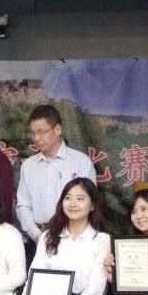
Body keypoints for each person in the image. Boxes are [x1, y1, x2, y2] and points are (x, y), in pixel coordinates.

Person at [16, 105, 97, 245]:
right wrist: (37, 237)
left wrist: (68, 235)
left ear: (57, 129)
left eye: (41, 132)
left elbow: (89, 202)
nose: (36, 138)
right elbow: (23, 206)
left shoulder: (81, 162)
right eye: (33, 133)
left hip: (74, 240)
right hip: (38, 239)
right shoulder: (28, 166)